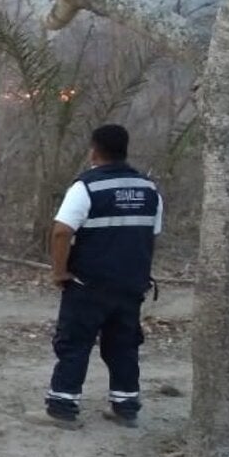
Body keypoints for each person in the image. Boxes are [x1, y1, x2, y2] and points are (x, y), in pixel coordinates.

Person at [44, 124, 163, 429]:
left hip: (88, 284)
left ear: (94, 151)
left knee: (75, 342)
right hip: (131, 285)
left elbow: (61, 231)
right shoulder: (149, 189)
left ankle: (62, 406)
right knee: (124, 344)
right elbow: (152, 234)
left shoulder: (86, 187)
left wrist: (60, 271)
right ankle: (125, 408)